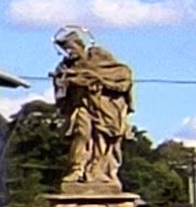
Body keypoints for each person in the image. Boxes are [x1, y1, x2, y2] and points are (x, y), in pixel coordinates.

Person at [53, 29, 135, 192]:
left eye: (71, 47)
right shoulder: (65, 66)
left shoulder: (99, 57)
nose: (69, 52)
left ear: (80, 45)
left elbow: (121, 75)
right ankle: (77, 169)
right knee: (81, 133)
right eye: (65, 49)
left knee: (103, 139)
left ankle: (100, 171)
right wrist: (64, 80)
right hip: (81, 106)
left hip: (104, 109)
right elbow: (62, 88)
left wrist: (96, 80)